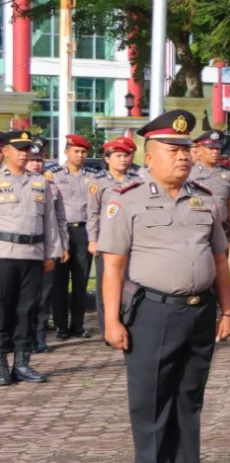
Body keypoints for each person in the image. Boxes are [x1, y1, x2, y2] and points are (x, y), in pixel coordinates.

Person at [98, 110, 230, 463]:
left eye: (186, 149)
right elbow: (113, 267)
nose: (184, 156)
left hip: (199, 311)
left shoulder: (204, 198)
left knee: (189, 399)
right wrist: (110, 320)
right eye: (173, 149)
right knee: (151, 400)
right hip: (152, 312)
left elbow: (220, 259)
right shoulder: (128, 200)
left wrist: (227, 309)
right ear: (150, 155)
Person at [0, 131, 62, 383]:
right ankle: (2, 362)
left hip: (34, 254)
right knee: (3, 309)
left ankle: (22, 362)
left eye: (27, 149)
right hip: (4, 254)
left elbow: (50, 222)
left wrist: (52, 253)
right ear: (5, 151)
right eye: (19, 149)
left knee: (28, 309)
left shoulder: (40, 182)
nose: (25, 153)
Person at [88, 136, 140, 326]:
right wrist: (93, 239)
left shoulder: (138, 181)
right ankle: (107, 326)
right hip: (108, 241)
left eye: (126, 155)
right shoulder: (98, 182)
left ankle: (128, 322)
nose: (123, 159)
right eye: (118, 155)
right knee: (107, 285)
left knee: (132, 283)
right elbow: (92, 213)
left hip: (134, 241)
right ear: (108, 159)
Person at [50, 134, 95, 339]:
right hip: (62, 230)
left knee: (81, 280)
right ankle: (61, 326)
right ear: (66, 152)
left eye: (84, 152)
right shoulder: (54, 176)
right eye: (76, 151)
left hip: (83, 232)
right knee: (59, 282)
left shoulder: (94, 176)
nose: (80, 155)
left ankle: (77, 325)